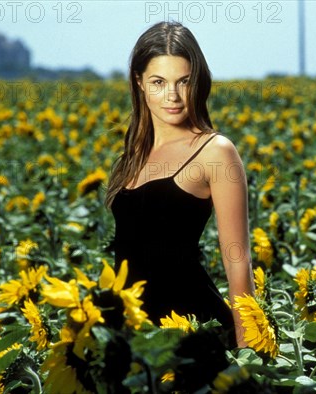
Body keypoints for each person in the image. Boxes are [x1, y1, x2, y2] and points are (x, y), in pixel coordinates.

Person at [104, 21, 255, 351]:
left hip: (192, 335)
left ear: (197, 83)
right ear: (139, 82)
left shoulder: (215, 151)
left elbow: (238, 262)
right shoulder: (133, 153)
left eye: (183, 81)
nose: (172, 95)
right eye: (158, 82)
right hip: (134, 336)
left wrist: (249, 359)